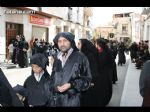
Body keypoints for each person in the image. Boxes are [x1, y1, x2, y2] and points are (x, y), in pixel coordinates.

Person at [48, 32, 92, 107]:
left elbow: (87, 81)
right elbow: (53, 77)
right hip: (55, 101)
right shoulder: (57, 57)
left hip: (72, 101)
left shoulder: (80, 57)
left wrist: (71, 85)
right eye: (59, 41)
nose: (62, 44)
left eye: (65, 41)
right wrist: (53, 87)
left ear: (70, 42)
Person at [77, 38, 100, 106]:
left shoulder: (89, 56)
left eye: (79, 44)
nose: (77, 45)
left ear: (84, 45)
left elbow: (94, 69)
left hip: (89, 83)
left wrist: (90, 82)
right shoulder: (82, 54)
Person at [95, 38, 114, 106]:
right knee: (106, 87)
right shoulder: (106, 51)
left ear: (98, 44)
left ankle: (103, 101)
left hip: (102, 74)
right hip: (106, 73)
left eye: (96, 43)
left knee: (103, 88)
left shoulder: (101, 52)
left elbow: (100, 63)